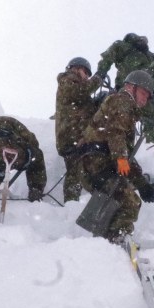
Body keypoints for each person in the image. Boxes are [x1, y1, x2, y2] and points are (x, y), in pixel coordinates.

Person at [77, 70, 154, 243]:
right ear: (131, 87)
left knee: (122, 200)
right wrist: (121, 159)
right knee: (130, 202)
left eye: (148, 97)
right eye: (144, 93)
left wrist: (141, 183)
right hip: (97, 162)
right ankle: (117, 240)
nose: (145, 99)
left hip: (97, 163)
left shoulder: (126, 110)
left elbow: (125, 155)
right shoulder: (122, 100)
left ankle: (107, 240)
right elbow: (116, 134)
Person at [95, 33, 154, 145]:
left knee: (131, 118)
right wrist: (101, 73)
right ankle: (144, 145)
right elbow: (108, 57)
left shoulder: (148, 55)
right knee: (127, 118)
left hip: (141, 92)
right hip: (130, 91)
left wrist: (100, 73)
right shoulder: (124, 47)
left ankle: (142, 147)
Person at [54, 56, 103, 202]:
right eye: (86, 73)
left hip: (78, 138)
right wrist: (98, 78)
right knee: (75, 173)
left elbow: (86, 110)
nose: (87, 77)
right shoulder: (67, 80)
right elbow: (79, 92)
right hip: (71, 138)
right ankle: (70, 204)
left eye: (88, 75)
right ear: (76, 69)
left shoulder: (77, 89)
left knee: (81, 171)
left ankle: (74, 203)